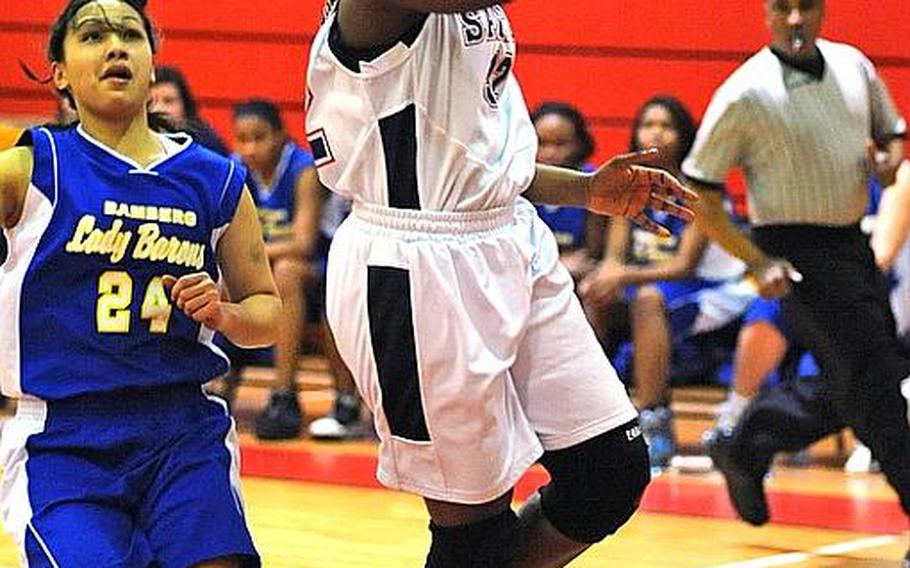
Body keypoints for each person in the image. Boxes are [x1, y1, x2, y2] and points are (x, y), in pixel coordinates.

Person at [306, 2, 697, 566]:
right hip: (415, 269)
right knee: (472, 532)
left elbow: (472, 157)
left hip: (509, 236)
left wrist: (585, 191)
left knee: (609, 472)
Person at [0, 1, 281, 565]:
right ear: (59, 73)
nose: (116, 46)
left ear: (153, 63)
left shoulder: (215, 179)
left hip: (183, 430)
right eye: (94, 35)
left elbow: (267, 311)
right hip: (64, 437)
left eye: (131, 34)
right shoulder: (30, 170)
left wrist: (225, 314)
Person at [682, 1, 910, 561]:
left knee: (864, 377)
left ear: (822, 9)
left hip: (851, 241)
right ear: (765, 13)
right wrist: (754, 261)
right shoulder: (745, 92)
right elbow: (701, 192)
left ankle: (749, 441)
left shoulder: (854, 65)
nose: (794, 19)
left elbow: (893, 134)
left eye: (805, 5)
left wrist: (886, 162)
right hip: (794, 249)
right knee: (876, 386)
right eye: (781, 7)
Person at [579, 96, 791, 469]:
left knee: (645, 299)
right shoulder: (628, 185)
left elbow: (684, 264)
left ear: (684, 134)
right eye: (647, 124)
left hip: (708, 288)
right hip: (650, 285)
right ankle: (593, 416)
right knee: (592, 294)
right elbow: (614, 257)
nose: (655, 132)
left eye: (666, 125)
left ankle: (655, 420)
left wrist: (621, 275)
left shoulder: (699, 188)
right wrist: (605, 276)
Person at [226, 98, 363, 440]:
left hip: (322, 266)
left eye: (259, 138)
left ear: (282, 135)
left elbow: (303, 243)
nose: (250, 148)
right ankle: (214, 386)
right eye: (242, 140)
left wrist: (250, 256)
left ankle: (284, 395)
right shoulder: (234, 169)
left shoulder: (304, 170)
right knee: (220, 276)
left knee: (286, 270)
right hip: (272, 269)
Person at [531, 101, 604, 282]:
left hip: (577, 273)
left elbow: (593, 253)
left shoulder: (591, 182)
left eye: (560, 144)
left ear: (579, 144)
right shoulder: (517, 182)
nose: (550, 153)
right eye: (542, 143)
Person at [150, 64, 230, 156]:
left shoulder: (206, 142)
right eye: (153, 101)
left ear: (184, 104)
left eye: (168, 101)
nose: (160, 108)